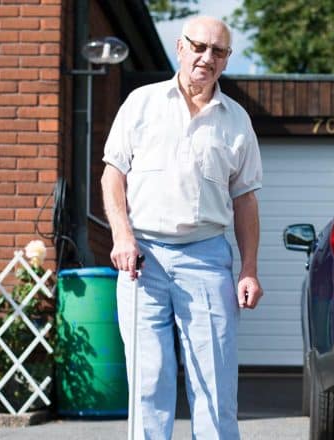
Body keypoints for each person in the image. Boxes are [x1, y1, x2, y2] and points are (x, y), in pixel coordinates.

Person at [100, 15, 263, 439]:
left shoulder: (236, 121)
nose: (206, 58)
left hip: (207, 259)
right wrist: (122, 236)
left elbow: (245, 200)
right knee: (149, 384)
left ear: (226, 60)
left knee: (214, 385)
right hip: (142, 260)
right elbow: (112, 175)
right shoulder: (141, 103)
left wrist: (248, 269)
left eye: (218, 51)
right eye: (199, 47)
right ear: (181, 47)